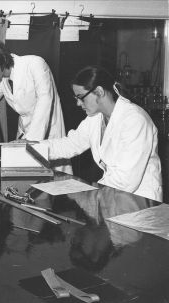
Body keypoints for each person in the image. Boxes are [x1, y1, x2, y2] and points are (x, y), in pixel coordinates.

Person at [41, 65, 162, 202]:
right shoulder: (95, 118)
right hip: (114, 196)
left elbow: (125, 180)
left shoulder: (135, 120)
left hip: (140, 201)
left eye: (81, 97)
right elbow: (71, 144)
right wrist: (32, 147)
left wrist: (89, 196)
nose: (78, 104)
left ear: (99, 92)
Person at [0, 40, 71, 173]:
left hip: (48, 133)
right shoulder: (1, 79)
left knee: (55, 182)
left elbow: (45, 101)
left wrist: (30, 141)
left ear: (1, 58)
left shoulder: (35, 64)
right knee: (28, 182)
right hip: (25, 135)